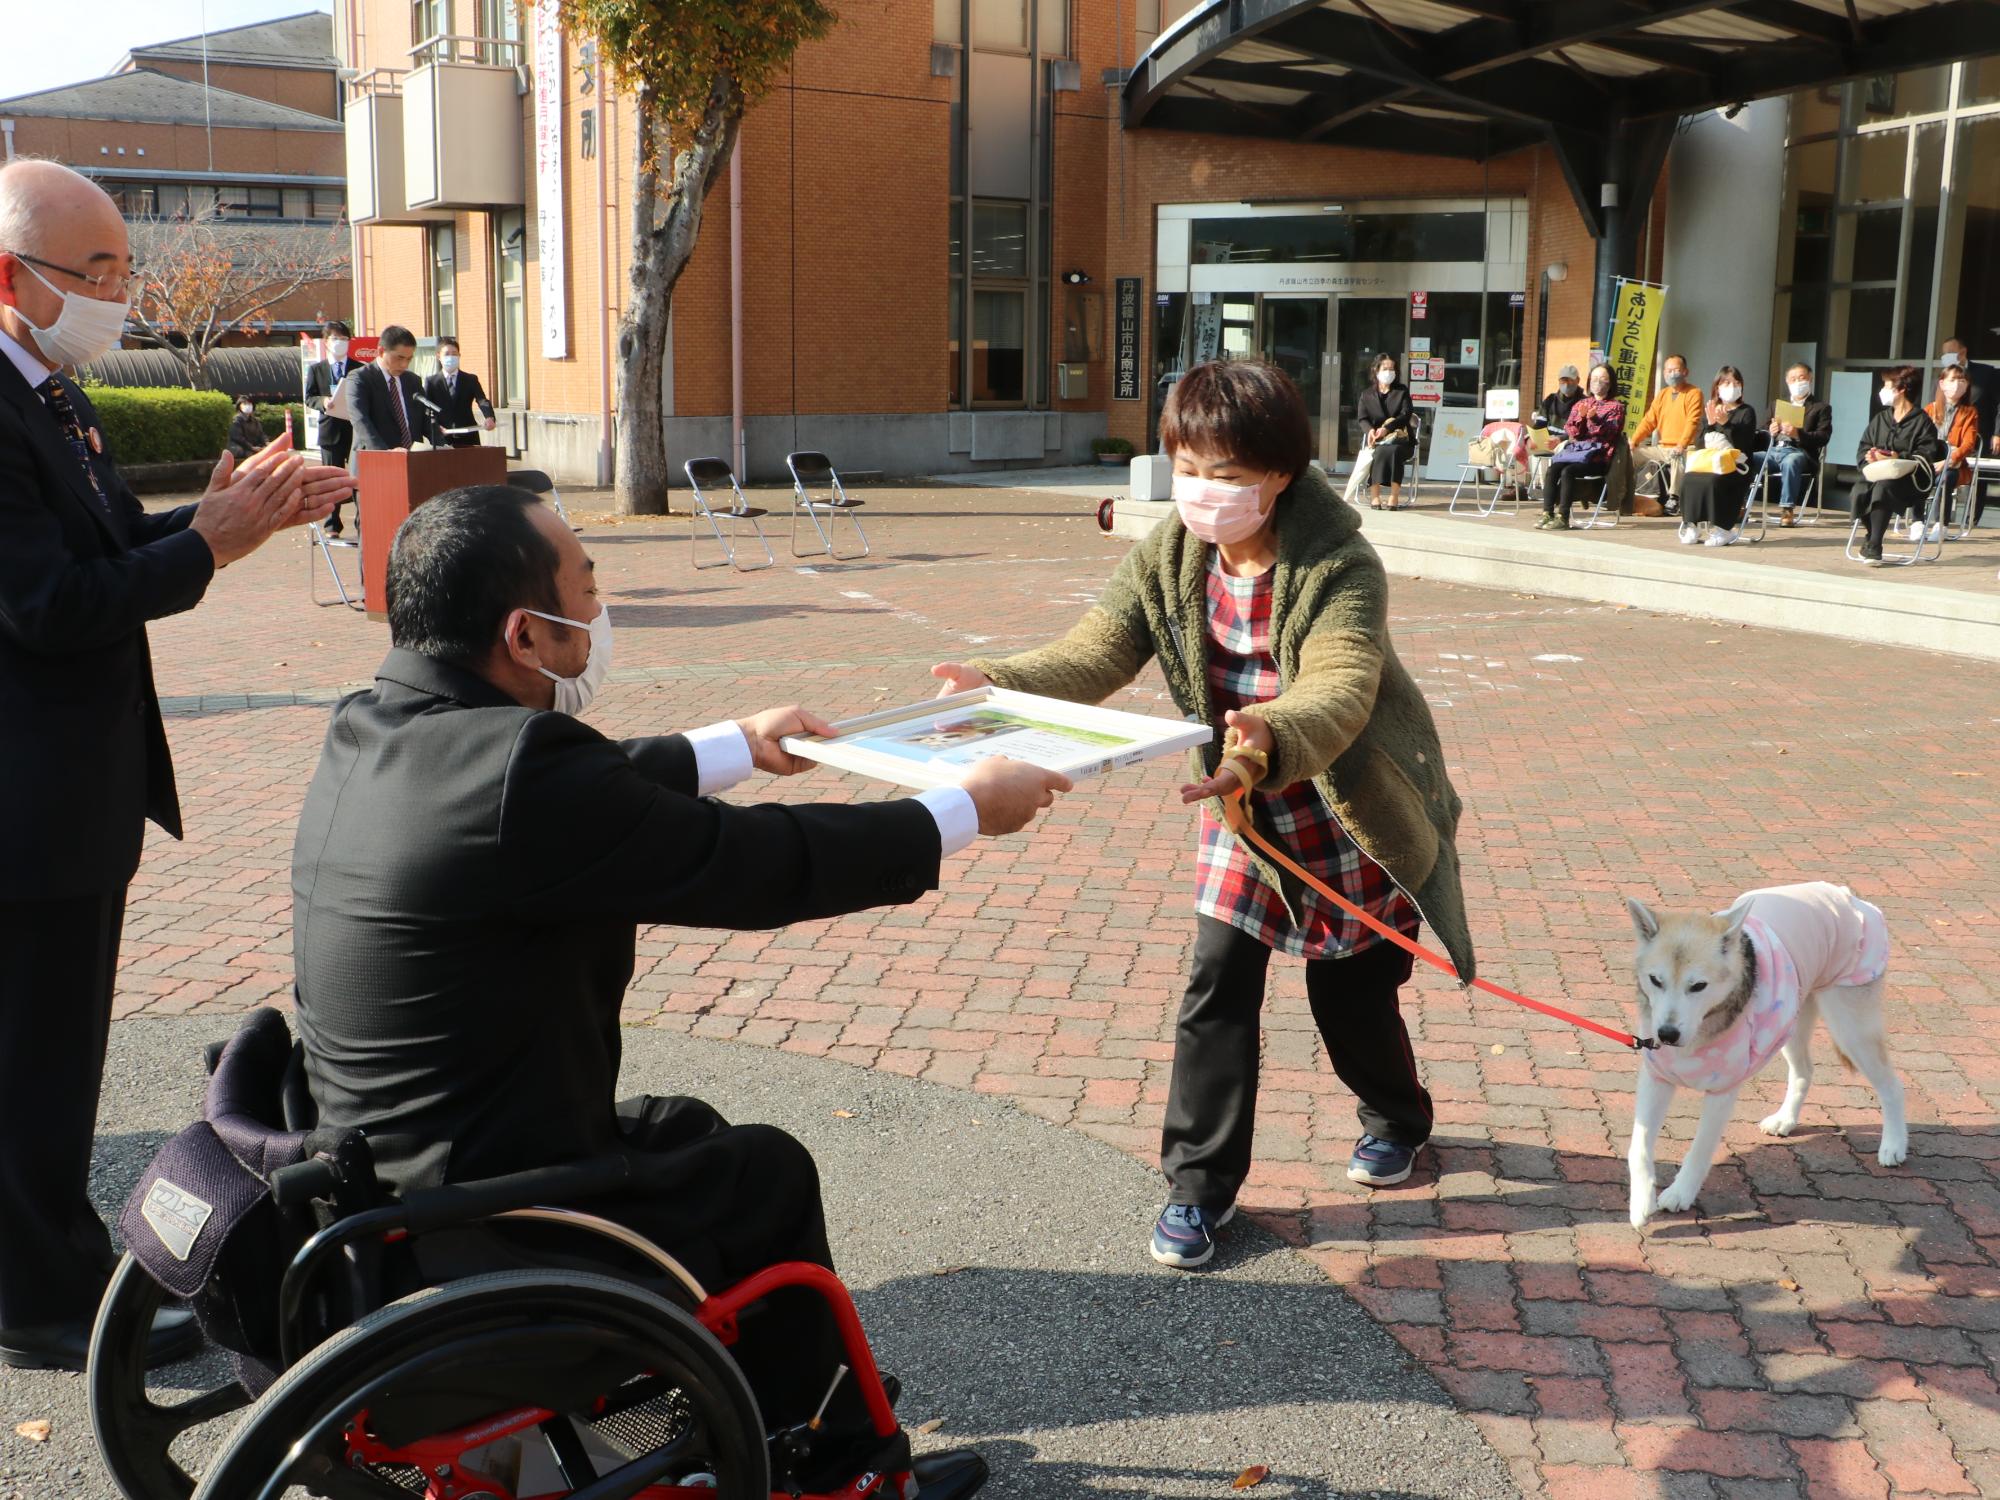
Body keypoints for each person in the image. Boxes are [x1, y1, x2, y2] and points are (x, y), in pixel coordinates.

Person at [292, 487, 1064, 1496]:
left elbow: (589, 790)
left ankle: (734, 1407)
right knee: (764, 1175)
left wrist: (735, 744)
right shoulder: (524, 769)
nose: (600, 611)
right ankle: (831, 1464)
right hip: (484, 1215)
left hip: (382, 1173)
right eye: (589, 589)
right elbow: (751, 865)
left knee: (684, 1128)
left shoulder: (380, 724)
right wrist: (957, 810)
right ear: (526, 634)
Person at [929, 360, 1476, 1271]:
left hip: (1339, 806)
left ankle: (1397, 1115)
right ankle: (1198, 1188)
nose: (1201, 491)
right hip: (1235, 808)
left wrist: (1263, 735)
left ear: (1279, 475)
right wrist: (999, 683)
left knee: (1352, 988)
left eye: (1224, 474)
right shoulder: (1171, 556)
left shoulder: (1339, 564)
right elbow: (1097, 650)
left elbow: (1341, 687)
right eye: (1186, 465)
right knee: (1216, 984)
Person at [0, 159, 353, 1373]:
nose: (120, 291)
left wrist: (217, 522)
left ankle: (54, 1264)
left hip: (68, 794)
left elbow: (102, 549)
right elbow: (46, 607)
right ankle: (38, 1305)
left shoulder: (55, 391)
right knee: (29, 1068)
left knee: (53, 1057)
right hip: (24, 806)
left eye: (123, 267)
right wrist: (210, 542)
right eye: (93, 271)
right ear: (10, 279)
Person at [1850, 364, 1947, 567]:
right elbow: (1864, 445)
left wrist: (1897, 456)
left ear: (1901, 389)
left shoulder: (1922, 421)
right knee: (1859, 490)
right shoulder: (1881, 418)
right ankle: (1871, 535)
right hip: (1878, 473)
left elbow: (1926, 454)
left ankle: (1875, 546)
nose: (1882, 390)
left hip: (1910, 479)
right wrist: (1870, 456)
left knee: (1883, 489)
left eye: (1887, 385)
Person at [1677, 365, 1759, 547]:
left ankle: (1723, 529)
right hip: (1710, 462)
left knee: (1715, 481)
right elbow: (1699, 443)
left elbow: (1743, 444)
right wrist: (1711, 423)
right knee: (1689, 479)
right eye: (1727, 382)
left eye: (1736, 383)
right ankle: (1693, 525)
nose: (1732, 386)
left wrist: (1726, 423)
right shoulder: (1711, 409)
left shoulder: (1746, 412)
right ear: (1717, 387)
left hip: (1737, 466)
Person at [1538, 362, 1625, 531]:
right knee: (1554, 467)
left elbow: (1610, 434)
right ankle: (1547, 513)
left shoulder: (1616, 407)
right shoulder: (1581, 404)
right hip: (1577, 453)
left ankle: (1563, 517)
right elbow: (1572, 432)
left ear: (1611, 382)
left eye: (1603, 379)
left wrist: (1594, 419)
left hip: (1598, 457)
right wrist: (1583, 419)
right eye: (1594, 378)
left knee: (1568, 471)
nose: (1598, 382)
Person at [1750, 360, 1832, 528]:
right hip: (1774, 450)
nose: (1797, 383)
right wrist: (1770, 430)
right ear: (1787, 382)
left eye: (1801, 378)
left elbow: (1823, 436)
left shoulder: (1820, 407)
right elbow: (1763, 429)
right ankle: (1741, 503)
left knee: (1791, 461)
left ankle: (1787, 509)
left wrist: (1798, 434)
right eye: (1793, 379)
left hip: (1800, 452)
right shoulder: (1777, 404)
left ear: (1810, 379)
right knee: (1745, 458)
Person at [1630, 352, 1704, 509]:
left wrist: (1681, 444)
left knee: (1678, 456)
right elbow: (1649, 420)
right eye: (1668, 371)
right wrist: (1634, 441)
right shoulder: (1662, 395)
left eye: (1675, 370)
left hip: (1684, 448)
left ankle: (1674, 497)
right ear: (1663, 373)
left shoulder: (1694, 393)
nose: (1672, 374)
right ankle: (1623, 491)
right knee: (1629, 454)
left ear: (1685, 372)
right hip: (1662, 448)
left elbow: (1692, 421)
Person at [303, 319, 355, 534]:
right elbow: (309, 397)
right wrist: (323, 402)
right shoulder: (317, 369)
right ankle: (332, 523)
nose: (340, 343)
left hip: (354, 429)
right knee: (331, 479)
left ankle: (362, 521)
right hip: (330, 429)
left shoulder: (358, 368)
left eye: (344, 339)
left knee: (356, 477)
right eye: (335, 339)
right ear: (326, 342)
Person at [346, 323, 430, 454]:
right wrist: (386, 453)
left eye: (409, 359)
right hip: (373, 460)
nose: (404, 365)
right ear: (381, 351)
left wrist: (443, 446)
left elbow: (424, 419)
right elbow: (360, 420)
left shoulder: (413, 380)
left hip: (410, 459)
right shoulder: (359, 378)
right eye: (400, 358)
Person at [1927, 362, 1982, 539]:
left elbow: (1968, 444)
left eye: (1962, 381)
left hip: (1955, 466)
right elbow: (1920, 440)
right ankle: (1917, 522)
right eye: (1952, 380)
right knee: (1914, 476)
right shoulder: (1930, 409)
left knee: (1945, 479)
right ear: (1942, 383)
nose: (1957, 384)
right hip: (1929, 462)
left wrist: (1948, 460)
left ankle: (1940, 525)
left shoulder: (1970, 412)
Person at [1356, 353, 1414, 510]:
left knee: (1392, 450)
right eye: (1385, 368)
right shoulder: (1367, 395)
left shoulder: (1402, 391)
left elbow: (1405, 414)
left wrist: (1387, 428)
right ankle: (1375, 496)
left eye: (1392, 368)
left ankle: (1393, 496)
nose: (1389, 372)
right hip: (1378, 441)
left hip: (1400, 440)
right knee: (1379, 450)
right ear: (1376, 370)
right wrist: (1370, 431)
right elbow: (1362, 418)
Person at [422, 336, 496, 449]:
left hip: (469, 435)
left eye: (454, 354)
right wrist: (435, 428)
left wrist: (489, 416)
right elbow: (426, 409)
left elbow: (481, 400)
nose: (451, 357)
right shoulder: (431, 382)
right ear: (438, 356)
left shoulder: (470, 379)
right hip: (443, 437)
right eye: (446, 354)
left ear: (459, 356)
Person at [1941, 338, 1999, 457]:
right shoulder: (1943, 376)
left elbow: (1998, 404)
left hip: (1981, 439)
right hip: (1950, 439)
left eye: (1950, 352)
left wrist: (1998, 434)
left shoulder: (1986, 373)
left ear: (1963, 352)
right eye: (1944, 353)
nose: (1946, 356)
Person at [1532, 363, 1585, 432]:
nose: (1566, 384)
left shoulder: (1584, 403)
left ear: (1577, 380)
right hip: (1547, 441)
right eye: (1563, 380)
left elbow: (1580, 432)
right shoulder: (1550, 400)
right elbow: (1539, 425)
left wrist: (1560, 439)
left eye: (1570, 380)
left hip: (1569, 442)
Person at [226, 394, 266, 460]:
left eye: (249, 403)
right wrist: (252, 447)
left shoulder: (255, 421)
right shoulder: (236, 420)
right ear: (239, 406)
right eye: (244, 403)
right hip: (239, 447)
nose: (248, 406)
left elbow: (261, 434)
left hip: (252, 447)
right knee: (241, 451)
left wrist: (266, 443)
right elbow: (238, 438)